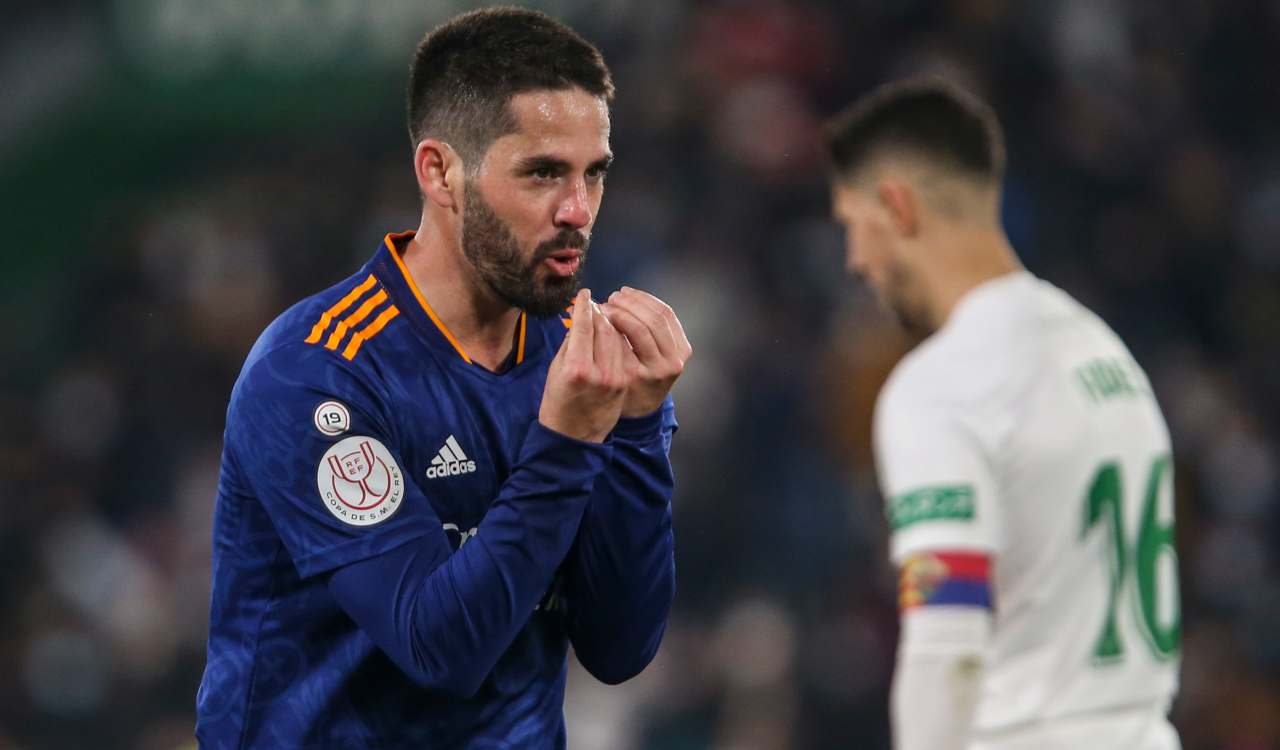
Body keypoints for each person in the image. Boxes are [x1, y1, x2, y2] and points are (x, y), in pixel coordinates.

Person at [195, 7, 691, 748]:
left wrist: (639, 429)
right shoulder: (317, 371)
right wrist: (565, 444)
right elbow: (439, 649)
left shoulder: (579, 357)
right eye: (542, 172)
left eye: (594, 173)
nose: (578, 210)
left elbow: (620, 648)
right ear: (440, 172)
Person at [824, 80, 1181, 750]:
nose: (856, 261)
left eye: (852, 225)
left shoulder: (943, 384)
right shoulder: (1105, 353)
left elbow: (947, 648)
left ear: (897, 207)